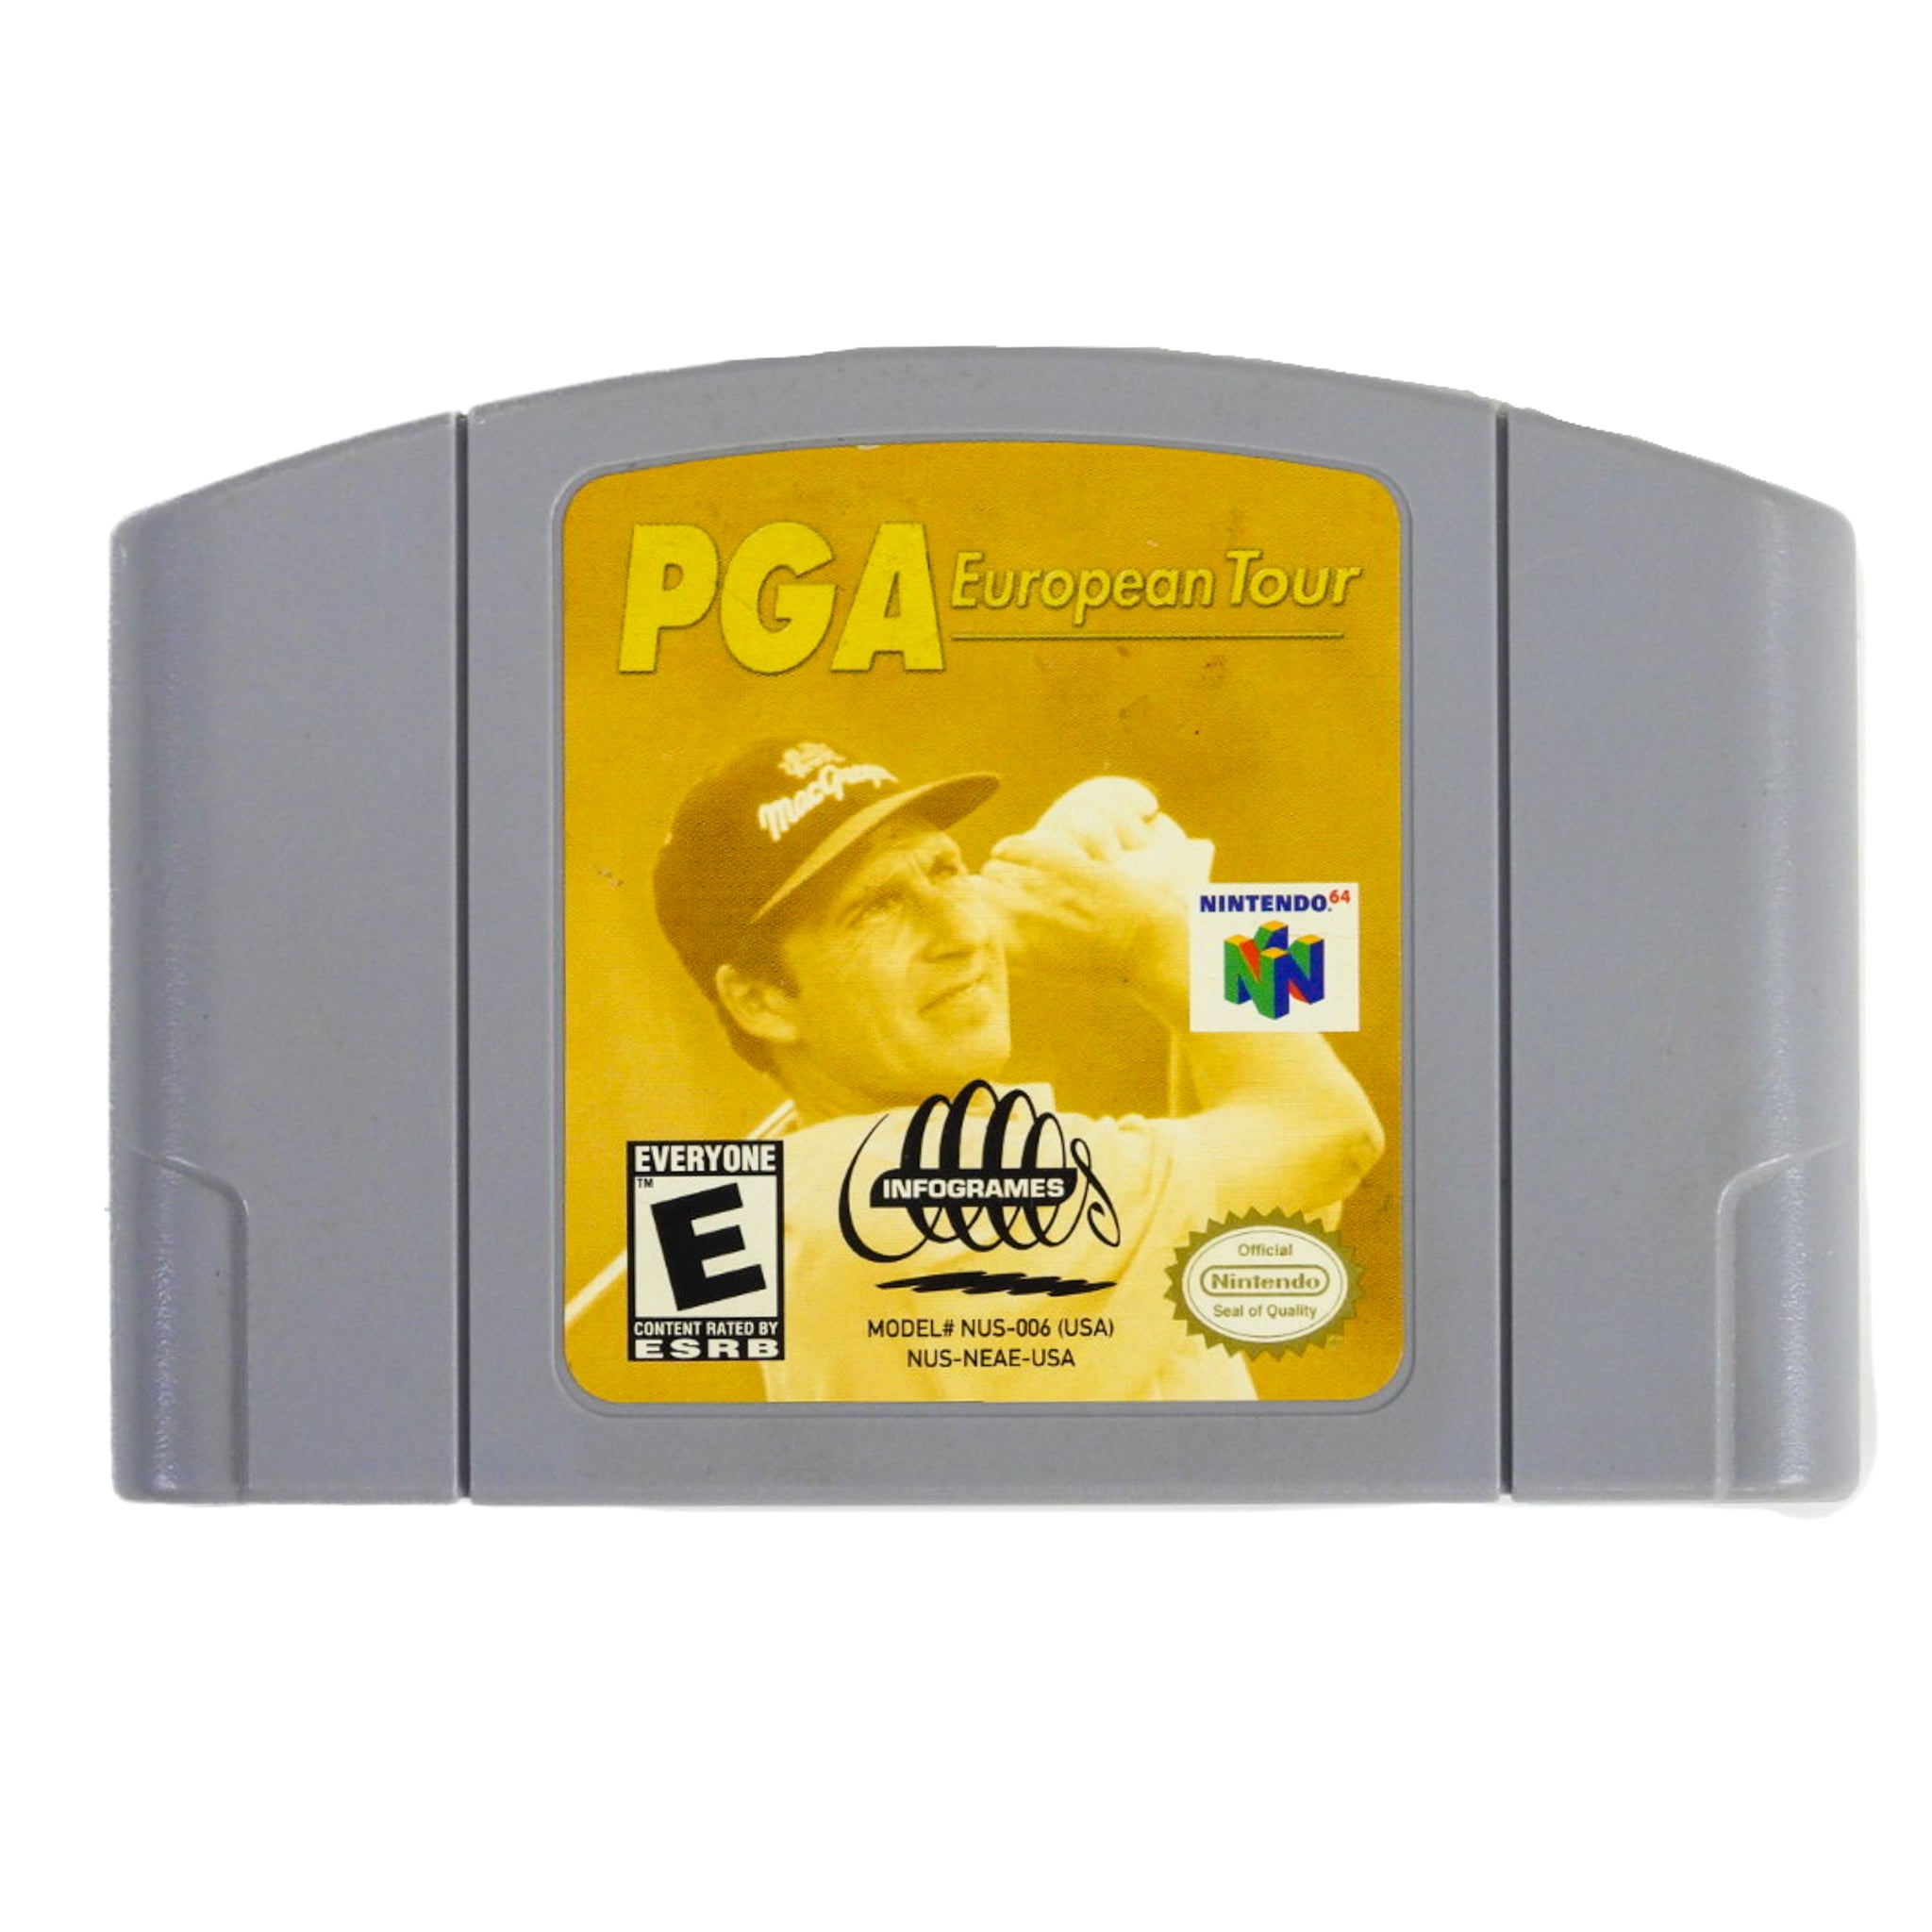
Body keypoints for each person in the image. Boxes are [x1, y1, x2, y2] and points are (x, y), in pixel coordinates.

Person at [648, 738, 1385, 1401]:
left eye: (946, 869)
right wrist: (1151, 938)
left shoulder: (787, 1186)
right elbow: (1332, 1136)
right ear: (760, 999)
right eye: (875, 907)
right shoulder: (913, 1199)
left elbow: (1265, 1219)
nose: (963, 930)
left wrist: (1184, 931)